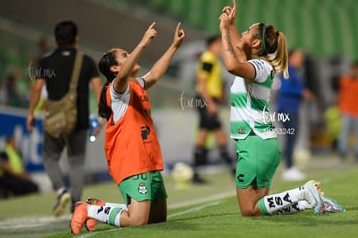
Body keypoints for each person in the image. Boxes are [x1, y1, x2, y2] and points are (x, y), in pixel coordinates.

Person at [218, 0, 344, 217]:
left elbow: (231, 63)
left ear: (257, 42)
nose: (244, 33)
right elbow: (239, 50)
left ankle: (304, 191)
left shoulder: (259, 66)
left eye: (248, 31)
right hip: (262, 143)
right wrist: (231, 26)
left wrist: (223, 31)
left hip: (253, 143)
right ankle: (311, 202)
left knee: (249, 209)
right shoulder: (257, 64)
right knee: (259, 208)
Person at [70, 22, 185, 234]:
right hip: (131, 161)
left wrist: (174, 46)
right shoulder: (116, 91)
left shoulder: (136, 85)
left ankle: (100, 207)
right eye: (125, 55)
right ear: (114, 68)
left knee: (157, 218)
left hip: (149, 160)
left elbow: (156, 74)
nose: (131, 55)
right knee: (138, 220)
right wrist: (142, 43)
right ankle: (89, 209)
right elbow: (122, 77)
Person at [26, 20, 103, 216]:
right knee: (76, 162)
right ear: (76, 38)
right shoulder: (86, 61)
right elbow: (97, 88)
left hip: (54, 120)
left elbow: (37, 88)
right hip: (79, 120)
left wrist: (31, 113)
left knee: (50, 157)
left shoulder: (47, 62)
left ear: (55, 39)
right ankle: (76, 205)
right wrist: (103, 115)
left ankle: (61, 190)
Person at [193, 35, 235, 183]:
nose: (221, 48)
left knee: (204, 134)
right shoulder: (208, 58)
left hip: (209, 100)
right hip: (206, 100)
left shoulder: (213, 60)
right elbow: (201, 81)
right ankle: (233, 170)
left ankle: (195, 174)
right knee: (217, 134)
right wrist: (209, 102)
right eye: (219, 45)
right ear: (212, 45)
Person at [276, 48, 313, 181]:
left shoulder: (296, 71)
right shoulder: (287, 70)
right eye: (298, 56)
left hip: (293, 108)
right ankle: (289, 168)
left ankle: (291, 167)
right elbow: (285, 89)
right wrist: (301, 91)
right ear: (290, 57)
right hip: (287, 108)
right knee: (290, 137)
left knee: (292, 137)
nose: (300, 59)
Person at [337, 61, 358, 161]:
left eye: (356, 69)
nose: (354, 71)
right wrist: (340, 108)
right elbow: (340, 93)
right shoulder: (345, 79)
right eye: (352, 69)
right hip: (346, 109)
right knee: (344, 131)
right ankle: (343, 151)